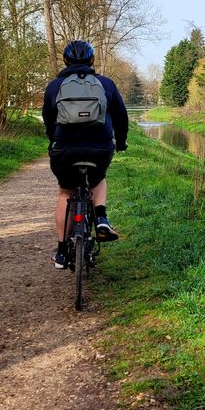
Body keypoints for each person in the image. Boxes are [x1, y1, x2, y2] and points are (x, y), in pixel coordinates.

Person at [42, 40, 128, 268]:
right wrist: (121, 142)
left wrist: (54, 142)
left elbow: (49, 120)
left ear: (65, 61)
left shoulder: (54, 86)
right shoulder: (106, 84)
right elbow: (121, 116)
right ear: (92, 61)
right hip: (99, 147)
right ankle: (101, 218)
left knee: (65, 193)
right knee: (98, 179)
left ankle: (61, 252)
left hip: (65, 149)